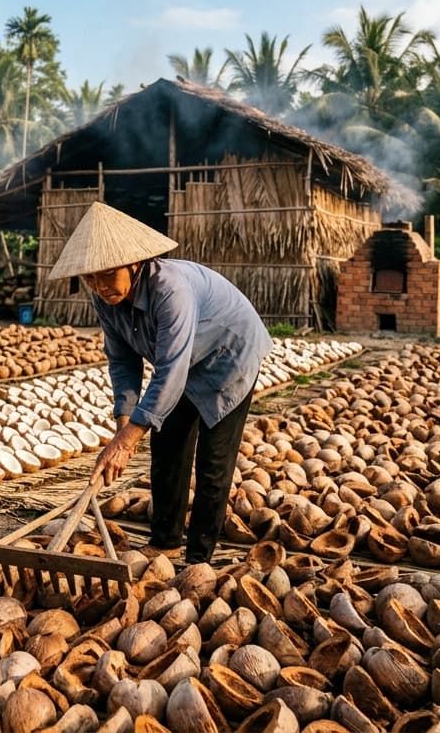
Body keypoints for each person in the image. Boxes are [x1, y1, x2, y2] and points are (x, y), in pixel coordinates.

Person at [48, 202, 272, 564]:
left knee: (213, 461)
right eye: (90, 277)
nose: (100, 286)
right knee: (166, 448)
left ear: (134, 263)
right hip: (184, 365)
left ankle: (199, 558)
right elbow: (122, 360)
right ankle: (166, 541)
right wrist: (124, 423)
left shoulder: (170, 290)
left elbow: (170, 367)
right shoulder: (105, 299)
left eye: (107, 274)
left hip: (229, 357)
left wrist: (126, 440)